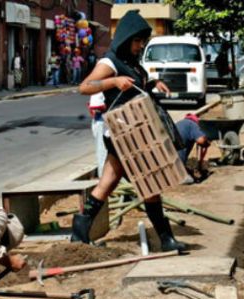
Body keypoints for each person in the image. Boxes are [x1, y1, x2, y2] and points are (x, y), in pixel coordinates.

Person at [76, 10, 186, 252]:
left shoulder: (130, 62)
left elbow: (137, 86)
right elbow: (85, 87)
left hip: (134, 132)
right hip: (124, 134)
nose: (139, 46)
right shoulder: (109, 62)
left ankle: (79, 230)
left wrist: (154, 83)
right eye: (137, 41)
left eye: (142, 42)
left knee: (108, 182)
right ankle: (166, 238)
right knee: (150, 182)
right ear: (126, 39)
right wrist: (113, 82)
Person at [175, 114, 210, 183]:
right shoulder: (192, 124)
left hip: (170, 156)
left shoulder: (180, 123)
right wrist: (206, 142)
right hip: (178, 162)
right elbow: (201, 140)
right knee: (190, 179)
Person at [88, 92, 108, 176]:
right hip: (104, 121)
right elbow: (96, 105)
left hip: (104, 119)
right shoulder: (100, 81)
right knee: (104, 155)